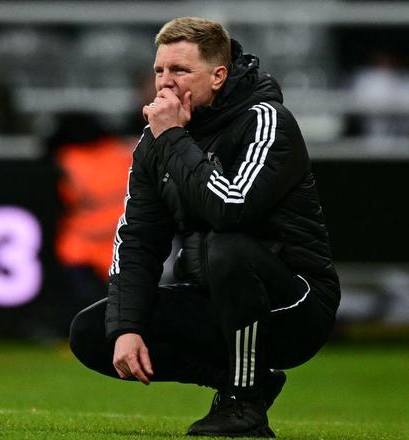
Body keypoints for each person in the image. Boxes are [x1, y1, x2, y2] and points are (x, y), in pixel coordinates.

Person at [69, 17, 340, 438]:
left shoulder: (266, 121)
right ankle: (245, 381)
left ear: (218, 76)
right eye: (159, 70)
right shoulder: (155, 142)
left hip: (294, 306)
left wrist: (172, 138)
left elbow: (231, 209)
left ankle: (243, 404)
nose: (165, 81)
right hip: (216, 295)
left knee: (226, 248)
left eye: (180, 70)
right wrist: (126, 328)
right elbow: (138, 241)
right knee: (94, 332)